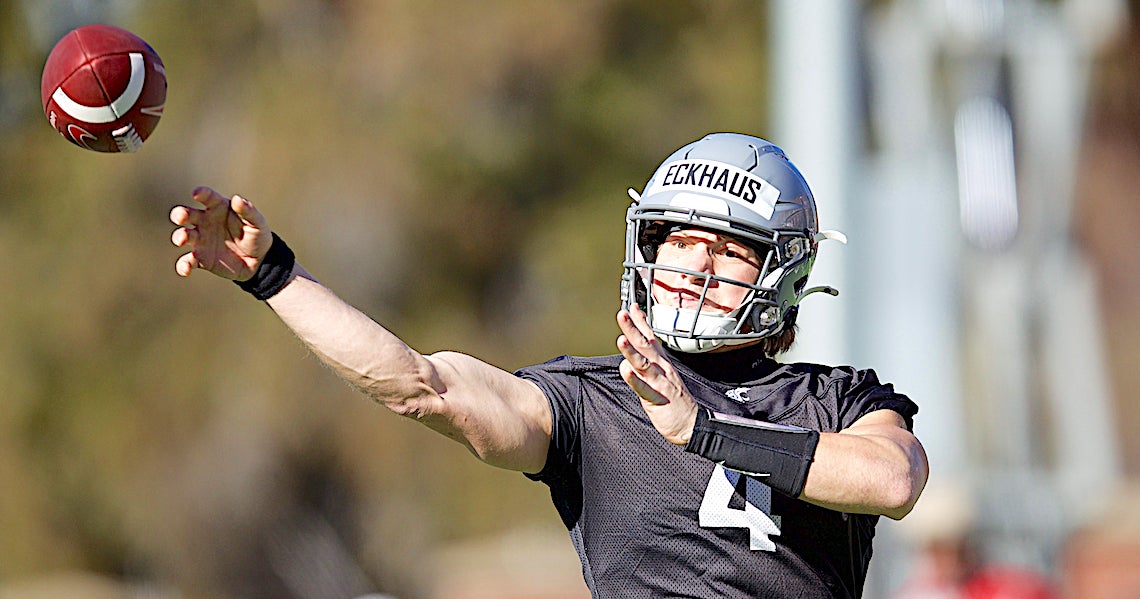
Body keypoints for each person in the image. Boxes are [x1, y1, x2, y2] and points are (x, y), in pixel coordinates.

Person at [169, 132, 929, 598]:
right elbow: (419, 385)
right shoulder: (591, 401)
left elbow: (893, 480)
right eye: (682, 241)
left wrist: (705, 430)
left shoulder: (837, 397)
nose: (696, 266)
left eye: (729, 250)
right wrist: (273, 276)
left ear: (784, 273)